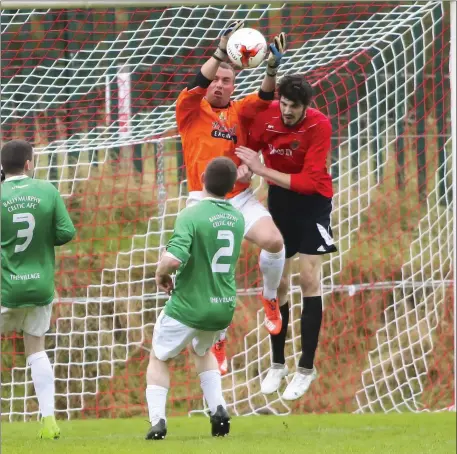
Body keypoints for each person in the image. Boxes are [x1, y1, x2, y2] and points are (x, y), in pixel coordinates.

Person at [176, 21, 287, 375]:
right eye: (216, 80)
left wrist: (272, 67)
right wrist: (221, 52)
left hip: (238, 197)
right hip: (202, 202)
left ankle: (269, 297)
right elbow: (196, 81)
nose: (220, 85)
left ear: (234, 84)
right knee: (213, 275)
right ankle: (219, 337)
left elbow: (267, 97)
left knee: (274, 242)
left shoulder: (239, 110)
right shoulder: (190, 108)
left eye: (227, 80)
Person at [235, 74, 337, 401]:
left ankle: (306, 367)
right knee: (278, 282)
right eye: (284, 103)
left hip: (313, 204)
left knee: (309, 278)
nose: (288, 110)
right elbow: (249, 148)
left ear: (307, 107)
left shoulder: (319, 125)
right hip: (281, 203)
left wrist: (261, 170)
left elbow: (308, 182)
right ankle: (277, 363)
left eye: (295, 106)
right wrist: (245, 166)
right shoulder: (268, 119)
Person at [145, 157, 244, 440]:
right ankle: (218, 410)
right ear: (232, 186)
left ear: (202, 178)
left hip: (189, 305)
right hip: (222, 306)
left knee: (158, 356)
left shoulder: (192, 213)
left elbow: (175, 258)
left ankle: (158, 422)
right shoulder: (237, 217)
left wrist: (160, 273)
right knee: (203, 352)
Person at [1, 140, 76, 438]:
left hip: (6, 287)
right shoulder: (47, 190)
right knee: (36, 350)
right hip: (40, 287)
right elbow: (67, 231)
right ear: (30, 165)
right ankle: (48, 422)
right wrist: (42, 242)